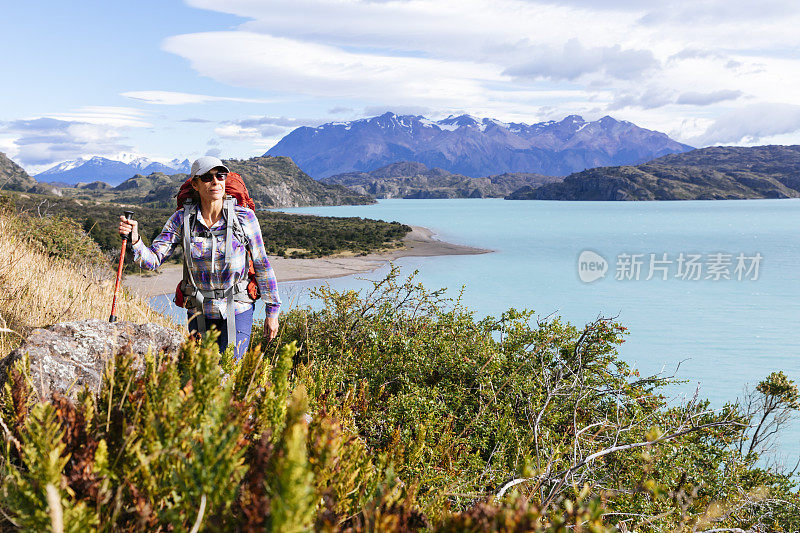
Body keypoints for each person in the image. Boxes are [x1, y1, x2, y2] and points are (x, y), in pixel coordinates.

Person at [118, 156, 281, 360]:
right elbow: (152, 260)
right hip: (199, 311)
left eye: (220, 175)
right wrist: (135, 239)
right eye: (207, 177)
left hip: (238, 307)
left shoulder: (244, 217)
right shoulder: (182, 219)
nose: (215, 182)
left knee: (229, 371)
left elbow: (262, 264)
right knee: (201, 375)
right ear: (195, 184)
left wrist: (272, 311)